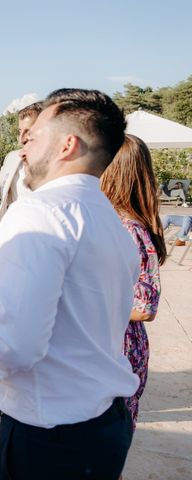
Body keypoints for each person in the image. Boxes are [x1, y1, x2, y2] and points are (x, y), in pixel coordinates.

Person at [0, 89, 140, 479]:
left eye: (33, 135)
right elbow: (82, 313)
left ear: (68, 144)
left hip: (50, 438)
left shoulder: (40, 212)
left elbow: (13, 348)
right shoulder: (111, 220)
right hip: (104, 426)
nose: (24, 145)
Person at [101, 134, 166, 432]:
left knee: (106, 440)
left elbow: (144, 307)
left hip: (119, 349)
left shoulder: (129, 230)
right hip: (112, 345)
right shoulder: (115, 223)